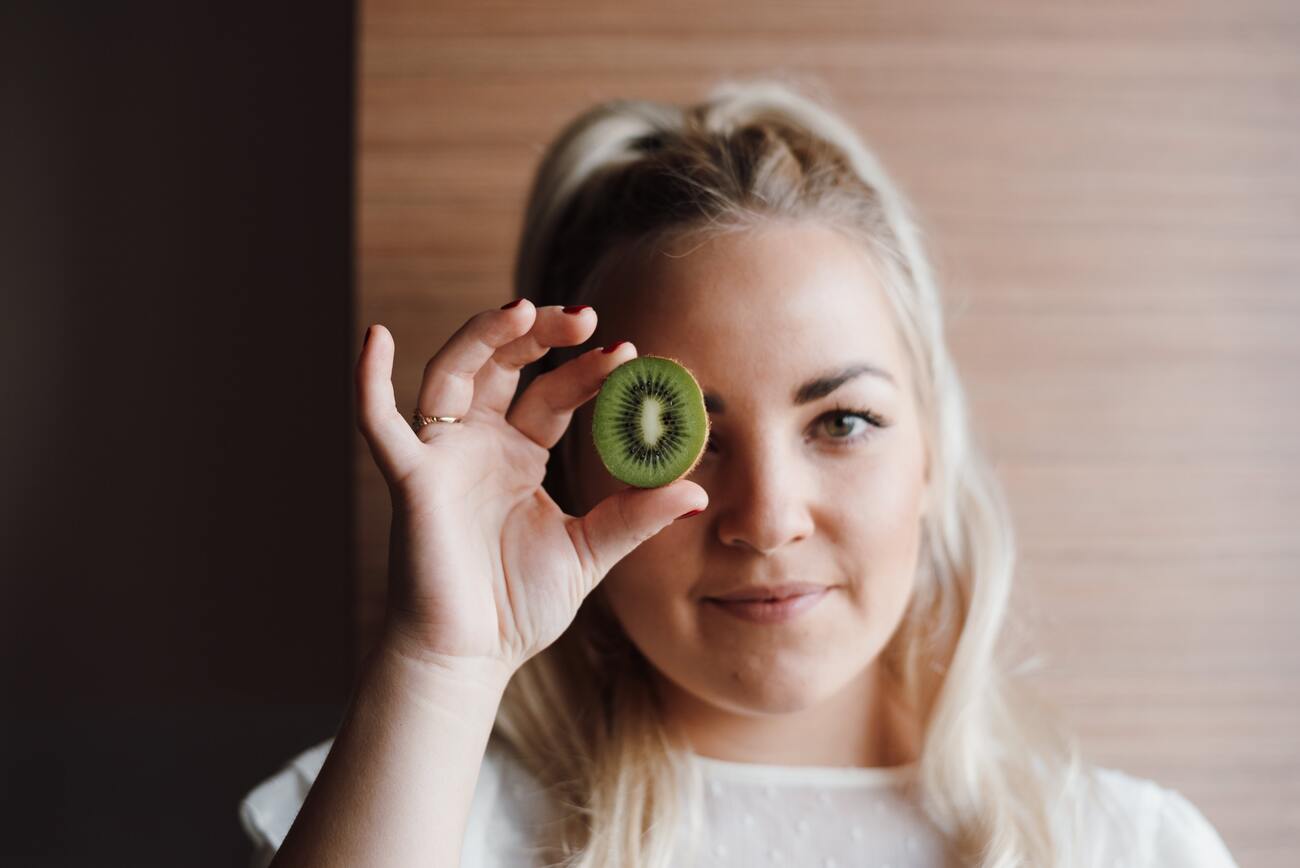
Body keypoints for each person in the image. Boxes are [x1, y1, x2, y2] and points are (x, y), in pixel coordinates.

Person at [238, 79, 1239, 867]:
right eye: (688, 435)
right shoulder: (412, 815)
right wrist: (444, 663)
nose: (765, 519)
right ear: (575, 473)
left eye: (842, 420)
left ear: (932, 451)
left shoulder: (1132, 848)